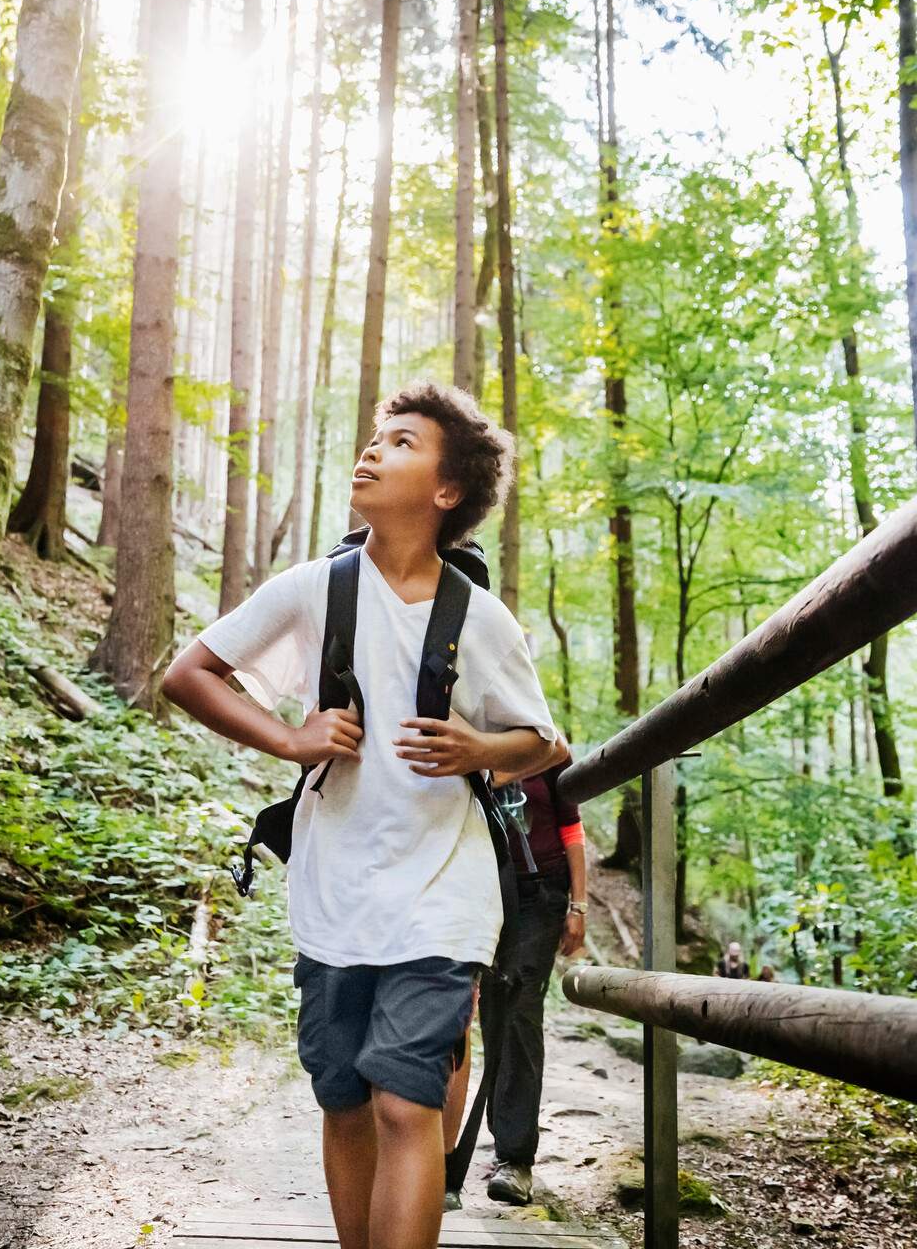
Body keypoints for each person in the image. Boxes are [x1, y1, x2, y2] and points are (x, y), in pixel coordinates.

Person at [163, 381, 559, 1249]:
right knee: (344, 1098)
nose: (373, 449)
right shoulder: (313, 589)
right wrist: (289, 738)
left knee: (406, 1098)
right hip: (334, 886)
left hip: (444, 892)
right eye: (377, 437)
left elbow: (544, 746)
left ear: (446, 491)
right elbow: (185, 675)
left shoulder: (480, 619)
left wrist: (477, 751)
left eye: (403, 442)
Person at [469, 756, 588, 1206]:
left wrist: (579, 905)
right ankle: (504, 1135)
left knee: (520, 1008)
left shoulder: (549, 746)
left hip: (542, 890)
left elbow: (572, 828)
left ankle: (516, 1158)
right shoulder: (470, 737)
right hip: (483, 886)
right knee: (494, 1010)